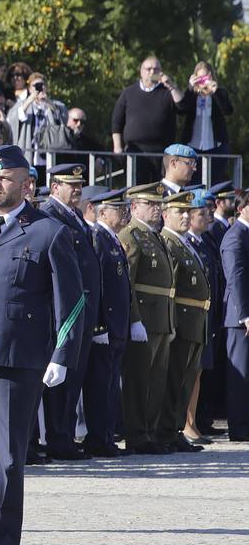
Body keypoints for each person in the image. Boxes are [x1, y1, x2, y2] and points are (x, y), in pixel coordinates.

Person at [0, 145, 85, 545]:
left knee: (10, 457)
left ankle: (3, 541)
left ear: (26, 184)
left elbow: (71, 302)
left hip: (17, 359)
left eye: (4, 178)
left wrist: (62, 354)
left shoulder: (48, 231)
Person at [38, 165, 105, 461]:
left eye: (79, 185)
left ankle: (64, 434)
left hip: (82, 308)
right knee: (61, 379)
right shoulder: (51, 214)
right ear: (54, 188)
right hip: (63, 309)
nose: (77, 189)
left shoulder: (73, 214)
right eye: (71, 185)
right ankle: (58, 439)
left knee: (73, 377)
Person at [119, 183, 174, 454]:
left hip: (161, 318)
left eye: (158, 204)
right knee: (139, 380)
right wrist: (134, 319)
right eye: (150, 204)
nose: (157, 208)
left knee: (157, 379)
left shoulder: (154, 235)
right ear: (134, 207)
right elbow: (127, 282)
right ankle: (137, 434)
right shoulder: (132, 235)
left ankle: (150, 432)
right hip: (144, 317)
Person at [81, 187, 132, 457]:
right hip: (106, 326)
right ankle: (98, 439)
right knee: (100, 386)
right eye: (118, 208)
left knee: (111, 385)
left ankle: (106, 436)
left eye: (124, 208)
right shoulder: (97, 238)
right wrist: (99, 325)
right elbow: (97, 285)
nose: (123, 213)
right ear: (102, 212)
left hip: (117, 325)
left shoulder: (112, 238)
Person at [158, 193, 209, 453]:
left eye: (189, 212)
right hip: (181, 320)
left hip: (195, 320)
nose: (187, 216)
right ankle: (167, 429)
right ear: (166, 215)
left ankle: (175, 429)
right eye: (181, 212)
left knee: (185, 379)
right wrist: (172, 323)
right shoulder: (168, 242)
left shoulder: (184, 242)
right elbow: (172, 288)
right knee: (175, 378)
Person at [112, 57, 188, 183]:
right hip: (135, 153)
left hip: (163, 153)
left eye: (156, 69)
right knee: (137, 193)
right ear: (141, 72)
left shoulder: (168, 91)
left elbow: (182, 107)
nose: (152, 72)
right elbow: (116, 121)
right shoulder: (129, 93)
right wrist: (117, 148)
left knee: (162, 192)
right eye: (148, 69)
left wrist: (171, 86)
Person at [220, 194, 249, 442]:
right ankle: (239, 428)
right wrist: (245, 315)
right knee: (240, 374)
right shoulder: (235, 235)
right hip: (240, 317)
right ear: (241, 208)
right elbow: (235, 277)